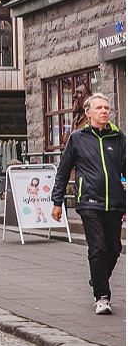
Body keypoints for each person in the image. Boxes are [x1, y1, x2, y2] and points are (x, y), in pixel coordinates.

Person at [49, 94, 123, 316]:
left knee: (114, 249)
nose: (104, 111)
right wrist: (57, 202)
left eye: (107, 108)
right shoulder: (77, 138)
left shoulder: (119, 138)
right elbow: (63, 172)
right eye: (99, 108)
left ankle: (97, 277)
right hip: (88, 201)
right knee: (98, 248)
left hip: (115, 203)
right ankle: (102, 296)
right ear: (88, 113)